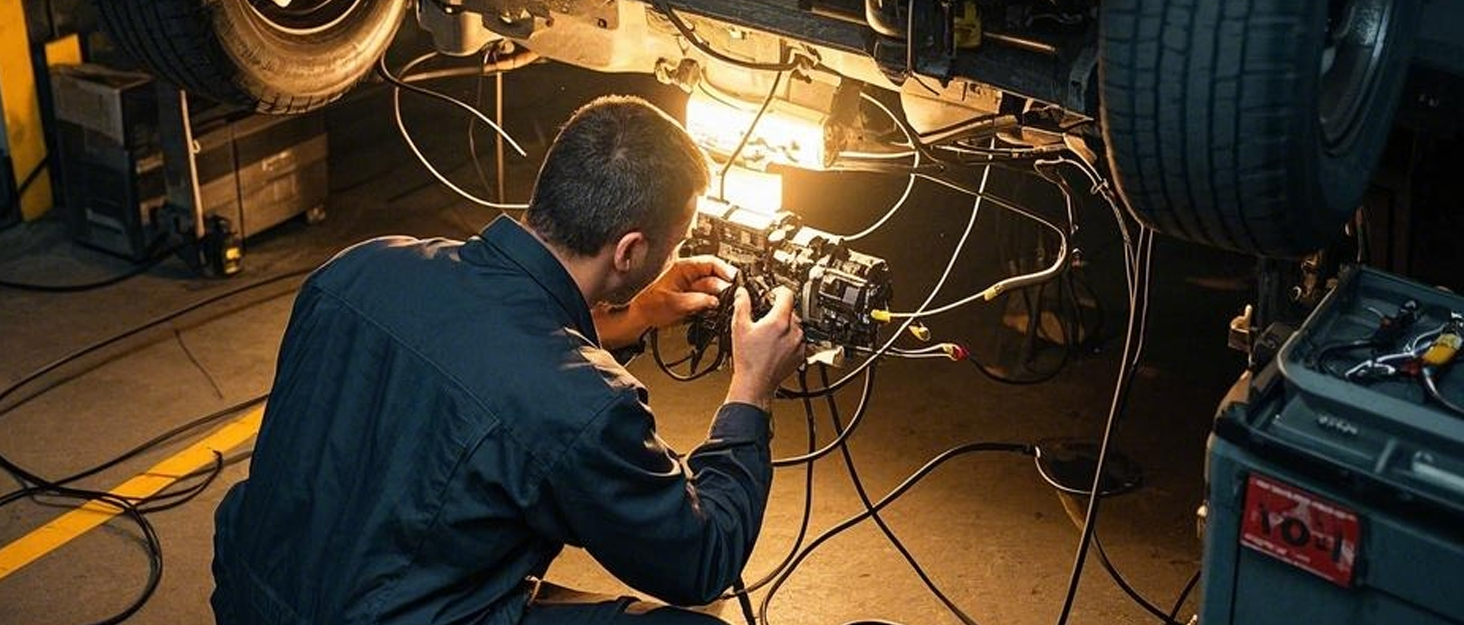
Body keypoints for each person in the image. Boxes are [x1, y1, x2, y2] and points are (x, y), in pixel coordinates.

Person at [210, 95, 806, 625]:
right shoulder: (586, 403)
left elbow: (492, 352)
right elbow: (699, 559)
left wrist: (632, 316)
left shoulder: (358, 266)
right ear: (629, 250)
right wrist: (751, 388)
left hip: (251, 599)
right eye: (675, 241)